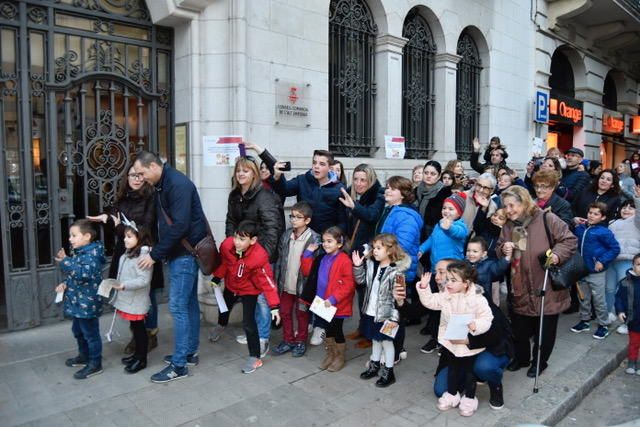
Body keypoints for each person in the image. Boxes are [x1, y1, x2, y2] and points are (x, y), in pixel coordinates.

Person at [134, 151, 208, 383]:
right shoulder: (163, 183)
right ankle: (189, 352)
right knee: (189, 304)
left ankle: (179, 365)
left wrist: (155, 254)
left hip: (184, 255)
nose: (141, 177)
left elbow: (179, 226)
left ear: (154, 166)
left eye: (142, 173)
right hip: (180, 253)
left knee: (177, 307)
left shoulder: (177, 184)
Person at [497, 186, 577, 377]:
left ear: (524, 201)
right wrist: (503, 249)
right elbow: (500, 249)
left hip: (546, 283)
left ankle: (540, 362)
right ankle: (521, 358)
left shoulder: (547, 219)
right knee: (519, 327)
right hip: (519, 283)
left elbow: (569, 240)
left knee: (545, 329)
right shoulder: (509, 225)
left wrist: (556, 256)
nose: (508, 210)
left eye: (512, 205)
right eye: (505, 206)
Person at [87, 164, 163, 356]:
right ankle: (137, 334)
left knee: (147, 293)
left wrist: (121, 228)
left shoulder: (151, 198)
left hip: (145, 251)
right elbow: (114, 216)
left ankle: (150, 332)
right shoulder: (123, 198)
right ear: (126, 177)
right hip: (126, 251)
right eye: (132, 175)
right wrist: (108, 216)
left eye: (140, 175)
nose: (136, 179)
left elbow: (144, 227)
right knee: (128, 291)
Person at [223, 156, 285, 355]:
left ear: (254, 174)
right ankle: (255, 332)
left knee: (262, 299)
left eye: (246, 170)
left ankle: (263, 338)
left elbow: (272, 229)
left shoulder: (264, 196)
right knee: (249, 296)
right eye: (238, 170)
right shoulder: (234, 195)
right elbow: (230, 222)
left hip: (261, 257)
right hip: (242, 253)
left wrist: (261, 256)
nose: (241, 173)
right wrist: (234, 248)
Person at [416, 261, 494, 417]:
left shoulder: (477, 299)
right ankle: (452, 394)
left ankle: (470, 399)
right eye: (448, 279)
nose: (448, 283)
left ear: (466, 283)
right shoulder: (446, 296)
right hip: (451, 343)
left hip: (469, 344)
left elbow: (487, 317)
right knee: (453, 369)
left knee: (470, 372)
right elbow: (431, 302)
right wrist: (424, 288)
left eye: (453, 280)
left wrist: (475, 325)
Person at [210, 220, 281, 373]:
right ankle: (221, 326)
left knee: (249, 322)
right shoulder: (227, 245)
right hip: (231, 284)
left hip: (249, 290)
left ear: (253, 240)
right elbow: (226, 262)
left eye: (242, 239)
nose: (237, 242)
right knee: (224, 308)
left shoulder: (259, 257)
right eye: (236, 237)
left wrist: (274, 306)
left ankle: (255, 357)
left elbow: (267, 282)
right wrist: (217, 277)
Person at [376, 176, 424, 361]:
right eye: (387, 187)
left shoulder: (406, 216)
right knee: (390, 311)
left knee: (395, 313)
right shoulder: (392, 210)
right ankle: (394, 347)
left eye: (392, 189)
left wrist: (378, 253)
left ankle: (394, 352)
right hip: (389, 267)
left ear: (403, 194)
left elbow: (401, 246)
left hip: (398, 271)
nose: (387, 191)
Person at [353, 234, 409, 387]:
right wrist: (358, 266)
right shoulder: (372, 265)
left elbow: (400, 299)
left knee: (387, 343)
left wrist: (397, 306)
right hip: (371, 312)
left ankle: (388, 372)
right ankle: (374, 365)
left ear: (390, 251)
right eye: (374, 248)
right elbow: (361, 281)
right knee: (375, 340)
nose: (375, 251)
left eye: (379, 248)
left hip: (387, 315)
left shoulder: (396, 272)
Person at [338, 164, 385, 348]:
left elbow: (372, 215)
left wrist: (354, 206)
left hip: (371, 253)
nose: (358, 183)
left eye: (363, 180)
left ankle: (370, 333)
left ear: (370, 180)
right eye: (356, 179)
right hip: (357, 251)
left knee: (368, 294)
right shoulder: (355, 195)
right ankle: (362, 327)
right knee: (361, 292)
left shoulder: (378, 194)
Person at [55, 219, 106, 379]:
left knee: (90, 334)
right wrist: (64, 284)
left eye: (74, 235)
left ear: (87, 236)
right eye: (70, 235)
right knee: (77, 331)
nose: (70, 239)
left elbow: (83, 274)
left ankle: (95, 363)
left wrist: (66, 261)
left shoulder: (93, 255)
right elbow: (74, 276)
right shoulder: (80, 252)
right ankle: (84, 356)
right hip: (78, 302)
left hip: (88, 304)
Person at [300, 226, 355, 372]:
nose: (325, 244)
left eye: (329, 241)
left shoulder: (344, 260)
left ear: (339, 243)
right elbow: (308, 272)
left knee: (336, 330)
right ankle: (331, 354)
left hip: (336, 304)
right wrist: (307, 254)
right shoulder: (321, 258)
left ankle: (339, 357)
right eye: (324, 241)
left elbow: (348, 284)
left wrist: (333, 298)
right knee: (327, 330)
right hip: (322, 303)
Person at [272, 202, 319, 357]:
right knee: (285, 312)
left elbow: (314, 268)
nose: (293, 220)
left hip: (302, 286)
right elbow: (280, 260)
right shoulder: (286, 235)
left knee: (302, 314)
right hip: (286, 284)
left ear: (307, 220)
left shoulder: (314, 239)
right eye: (292, 216)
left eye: (298, 217)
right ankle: (288, 340)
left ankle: (300, 341)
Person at [571, 202, 620, 339]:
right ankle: (585, 321)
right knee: (583, 298)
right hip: (581, 271)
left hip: (596, 272)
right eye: (590, 213)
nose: (592, 216)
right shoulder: (580, 228)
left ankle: (603, 324)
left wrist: (602, 261)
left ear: (603, 217)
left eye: (596, 214)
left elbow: (615, 249)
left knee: (599, 300)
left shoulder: (604, 232)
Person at [272, 149, 347, 234]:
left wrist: (332, 239)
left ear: (329, 168)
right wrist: (278, 176)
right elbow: (284, 190)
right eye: (314, 162)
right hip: (303, 238)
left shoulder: (339, 189)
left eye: (321, 164)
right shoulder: (302, 180)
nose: (316, 166)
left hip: (325, 242)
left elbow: (342, 222)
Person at [112, 224, 153, 374]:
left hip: (136, 301)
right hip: (129, 300)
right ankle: (136, 355)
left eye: (129, 237)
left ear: (140, 238)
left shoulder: (143, 257)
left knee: (140, 330)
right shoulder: (128, 254)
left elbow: (143, 280)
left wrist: (124, 285)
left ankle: (141, 359)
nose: (125, 239)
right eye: (124, 236)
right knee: (135, 329)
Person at [608, 194, 640, 334]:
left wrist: (638, 200)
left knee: (628, 293)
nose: (626, 209)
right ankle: (609, 314)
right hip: (611, 261)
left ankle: (629, 323)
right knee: (609, 290)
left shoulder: (636, 221)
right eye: (624, 207)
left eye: (630, 208)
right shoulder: (612, 223)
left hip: (628, 260)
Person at [418, 192, 468, 272]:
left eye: (451, 209)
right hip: (435, 267)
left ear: (459, 213)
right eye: (444, 208)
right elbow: (432, 239)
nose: (446, 211)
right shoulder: (439, 224)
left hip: (451, 269)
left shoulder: (461, 226)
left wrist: (449, 228)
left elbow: (458, 232)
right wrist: (422, 249)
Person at [465, 236, 511, 305]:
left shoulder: (488, 265)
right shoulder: (463, 264)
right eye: (468, 251)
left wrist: (507, 257)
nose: (471, 254)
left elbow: (498, 268)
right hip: (466, 300)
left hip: (483, 300)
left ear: (484, 254)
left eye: (475, 251)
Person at [415, 160, 453, 241]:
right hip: (418, 232)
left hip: (436, 234)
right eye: (426, 173)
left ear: (439, 176)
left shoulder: (445, 193)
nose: (428, 176)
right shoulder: (416, 190)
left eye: (433, 174)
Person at [615, 253, 640, 374]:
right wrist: (620, 311)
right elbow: (619, 298)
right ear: (633, 266)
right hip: (633, 319)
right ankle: (632, 362)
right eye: (639, 264)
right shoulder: (626, 282)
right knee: (634, 343)